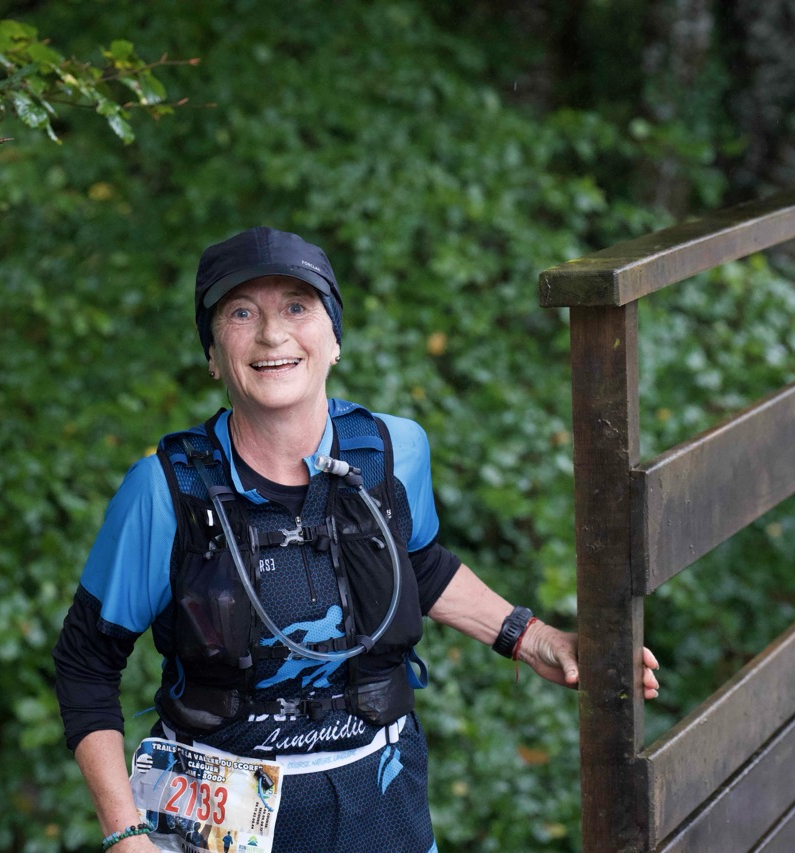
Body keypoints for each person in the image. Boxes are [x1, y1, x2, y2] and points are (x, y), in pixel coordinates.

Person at [53, 226, 661, 853]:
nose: (273, 334)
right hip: (216, 818)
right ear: (212, 352)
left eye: (298, 306)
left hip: (380, 798)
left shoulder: (392, 453)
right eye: (241, 313)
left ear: (335, 338)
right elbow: (85, 663)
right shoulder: (165, 490)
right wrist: (125, 834)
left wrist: (532, 638)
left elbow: (416, 565)